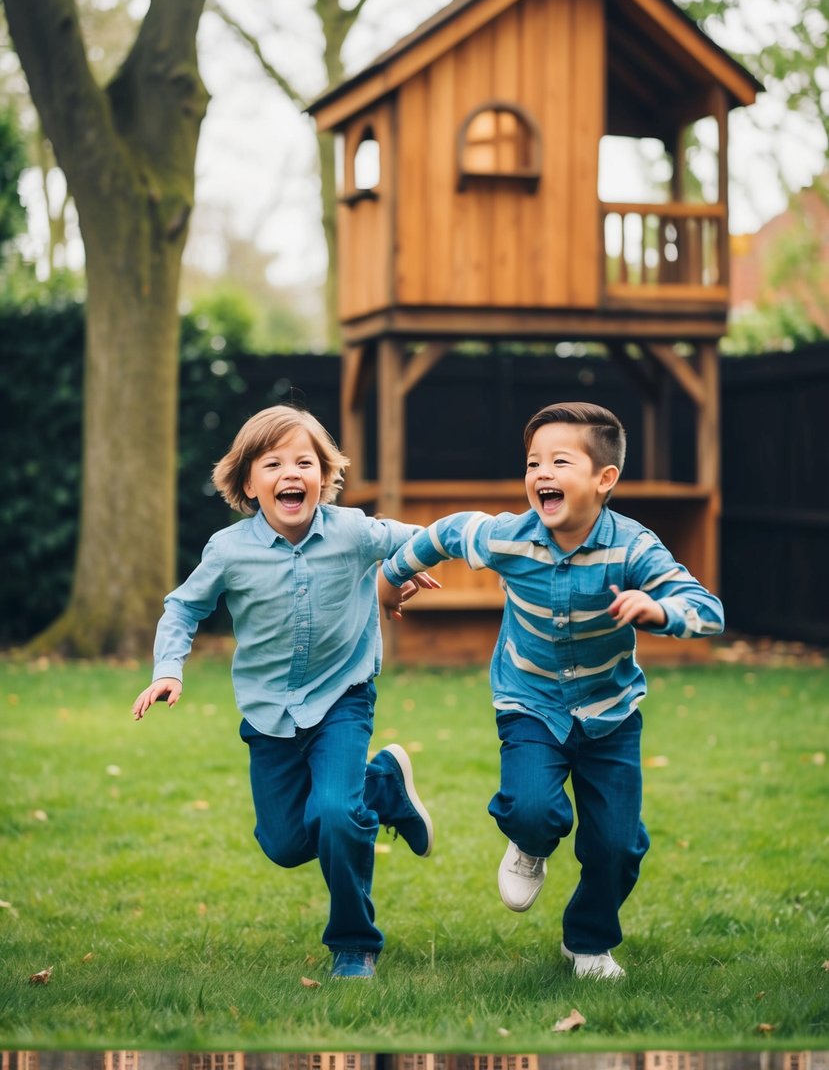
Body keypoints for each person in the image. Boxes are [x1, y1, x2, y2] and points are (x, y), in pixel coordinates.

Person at [381, 401, 724, 980]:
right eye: (533, 461)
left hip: (609, 713)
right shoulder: (509, 537)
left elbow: (706, 610)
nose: (541, 472)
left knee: (618, 847)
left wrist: (659, 609)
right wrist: (391, 582)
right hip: (530, 702)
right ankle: (530, 843)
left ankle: (587, 943)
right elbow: (446, 532)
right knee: (533, 808)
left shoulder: (634, 547)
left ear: (603, 479)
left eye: (559, 461)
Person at [132, 404, 436, 981]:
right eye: (273, 463)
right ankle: (385, 786)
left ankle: (354, 943)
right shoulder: (227, 550)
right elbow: (183, 606)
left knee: (335, 816)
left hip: (342, 696)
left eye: (305, 461)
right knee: (286, 842)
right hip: (269, 713)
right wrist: (168, 669)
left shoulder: (352, 531)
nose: (290, 473)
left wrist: (403, 568)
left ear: (324, 476)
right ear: (249, 482)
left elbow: (420, 537)